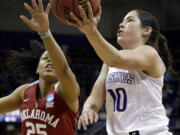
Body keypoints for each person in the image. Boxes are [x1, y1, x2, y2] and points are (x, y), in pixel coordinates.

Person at [66, 2, 174, 135]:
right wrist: (89, 109)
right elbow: (95, 97)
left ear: (146, 30)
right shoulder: (109, 63)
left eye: (129, 20)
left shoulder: (150, 53)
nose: (121, 24)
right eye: (122, 21)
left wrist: (91, 31)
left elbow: (116, 58)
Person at [0, 0, 80, 135]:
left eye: (54, 60)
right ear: (37, 68)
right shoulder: (24, 92)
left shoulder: (65, 91)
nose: (50, 62)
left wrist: (45, 32)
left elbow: (64, 71)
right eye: (45, 59)